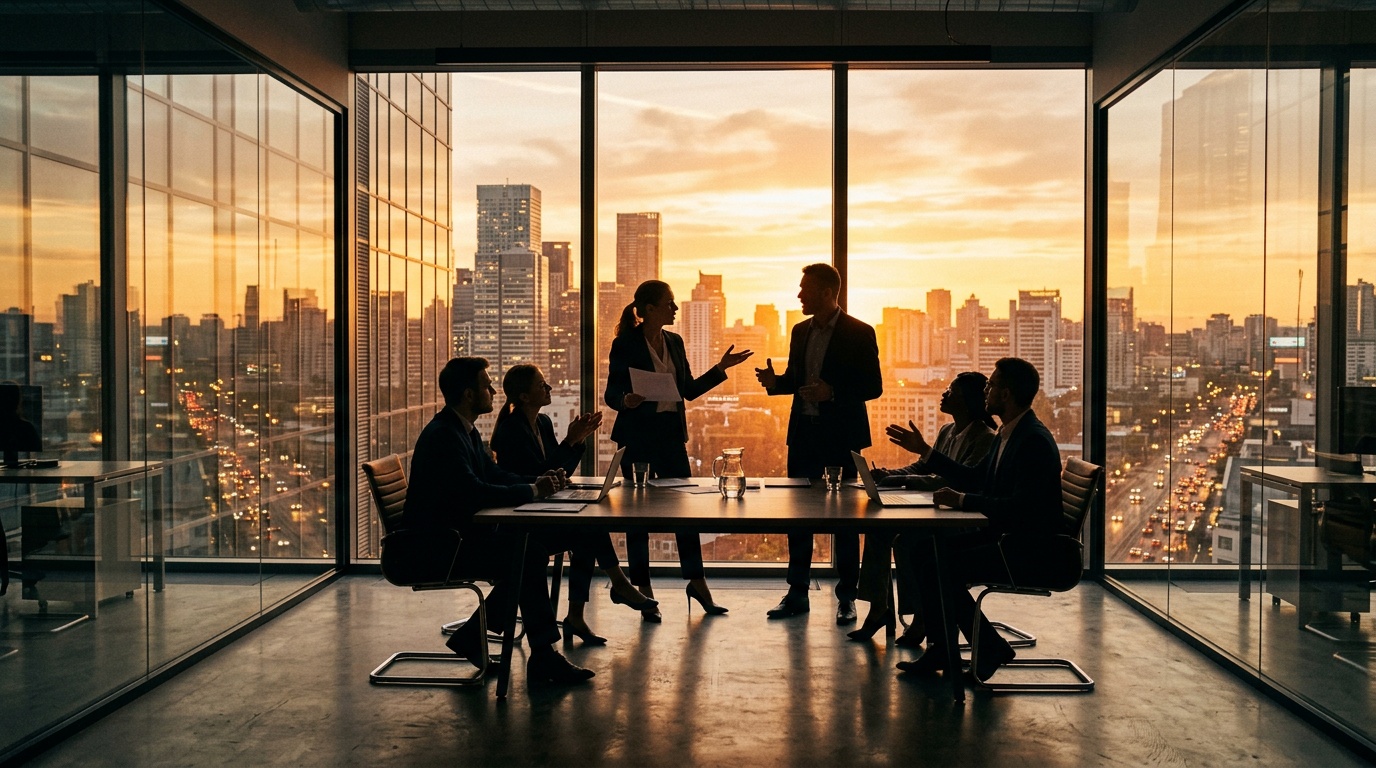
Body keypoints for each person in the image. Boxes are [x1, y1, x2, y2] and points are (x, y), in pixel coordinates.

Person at [403, 357, 658, 686]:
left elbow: (493, 475)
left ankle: (509, 646)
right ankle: (541, 656)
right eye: (485, 385)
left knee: (531, 550)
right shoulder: (446, 436)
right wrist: (531, 488)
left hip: (455, 538)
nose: (494, 391)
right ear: (468, 395)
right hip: (437, 547)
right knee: (527, 552)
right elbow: (473, 491)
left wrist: (534, 485)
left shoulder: (458, 430)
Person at [884, 357, 1063, 682]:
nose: (986, 389)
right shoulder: (1010, 433)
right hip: (1006, 538)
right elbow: (972, 476)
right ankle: (943, 648)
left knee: (941, 564)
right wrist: (925, 451)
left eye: (991, 384)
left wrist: (963, 500)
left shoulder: (1032, 441)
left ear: (1005, 395)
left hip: (1026, 550)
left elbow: (1020, 508)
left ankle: (985, 648)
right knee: (926, 552)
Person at [605, 280, 753, 621]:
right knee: (637, 520)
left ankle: (697, 584)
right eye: (669, 303)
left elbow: (687, 391)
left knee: (684, 516)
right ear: (651, 309)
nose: (675, 308)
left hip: (671, 437)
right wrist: (625, 400)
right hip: (637, 438)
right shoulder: (625, 343)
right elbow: (611, 392)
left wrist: (721, 368)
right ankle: (644, 592)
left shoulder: (675, 341)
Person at [754, 263, 882, 623]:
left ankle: (847, 597)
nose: (799, 295)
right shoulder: (799, 331)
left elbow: (873, 386)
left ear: (826, 292)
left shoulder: (860, 332)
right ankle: (797, 593)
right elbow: (796, 380)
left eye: (804, 289)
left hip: (841, 437)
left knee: (845, 521)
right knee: (799, 518)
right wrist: (775, 382)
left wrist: (833, 393)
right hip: (805, 435)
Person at [848, 371, 997, 645]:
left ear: (965, 401)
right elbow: (924, 468)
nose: (944, 395)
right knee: (878, 531)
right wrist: (888, 474)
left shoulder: (985, 438)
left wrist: (902, 477)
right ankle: (878, 608)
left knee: (909, 541)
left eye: (951, 392)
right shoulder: (947, 430)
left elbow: (947, 480)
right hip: (938, 513)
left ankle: (921, 617)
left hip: (960, 521)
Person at [489, 363, 612, 645]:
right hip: (522, 521)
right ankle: (613, 586)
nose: (549, 388)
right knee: (587, 532)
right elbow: (541, 476)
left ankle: (581, 613)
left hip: (537, 512)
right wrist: (571, 440)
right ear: (524, 396)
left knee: (588, 529)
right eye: (541, 385)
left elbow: (556, 472)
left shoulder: (542, 422)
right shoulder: (512, 430)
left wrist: (575, 441)